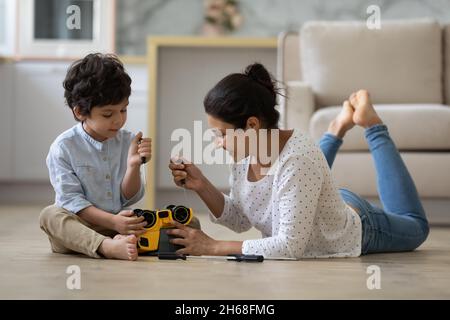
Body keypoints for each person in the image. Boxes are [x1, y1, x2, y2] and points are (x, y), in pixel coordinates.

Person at [167, 63, 429, 259]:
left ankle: (372, 125)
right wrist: (201, 184)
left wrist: (212, 246)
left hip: (359, 225)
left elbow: (290, 246)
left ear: (251, 125)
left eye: (222, 135)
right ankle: (337, 127)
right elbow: (240, 220)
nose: (218, 143)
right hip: (315, 198)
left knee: (416, 225)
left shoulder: (298, 159)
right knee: (300, 168)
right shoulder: (244, 153)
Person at [39, 53, 151, 261]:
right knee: (50, 216)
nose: (118, 120)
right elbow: (71, 201)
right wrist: (113, 222)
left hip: (120, 224)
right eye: (108, 114)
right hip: (81, 227)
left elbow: (129, 197)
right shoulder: (64, 147)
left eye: (123, 110)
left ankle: (122, 242)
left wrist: (134, 165)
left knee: (188, 224)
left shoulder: (127, 141)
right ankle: (106, 247)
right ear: (81, 112)